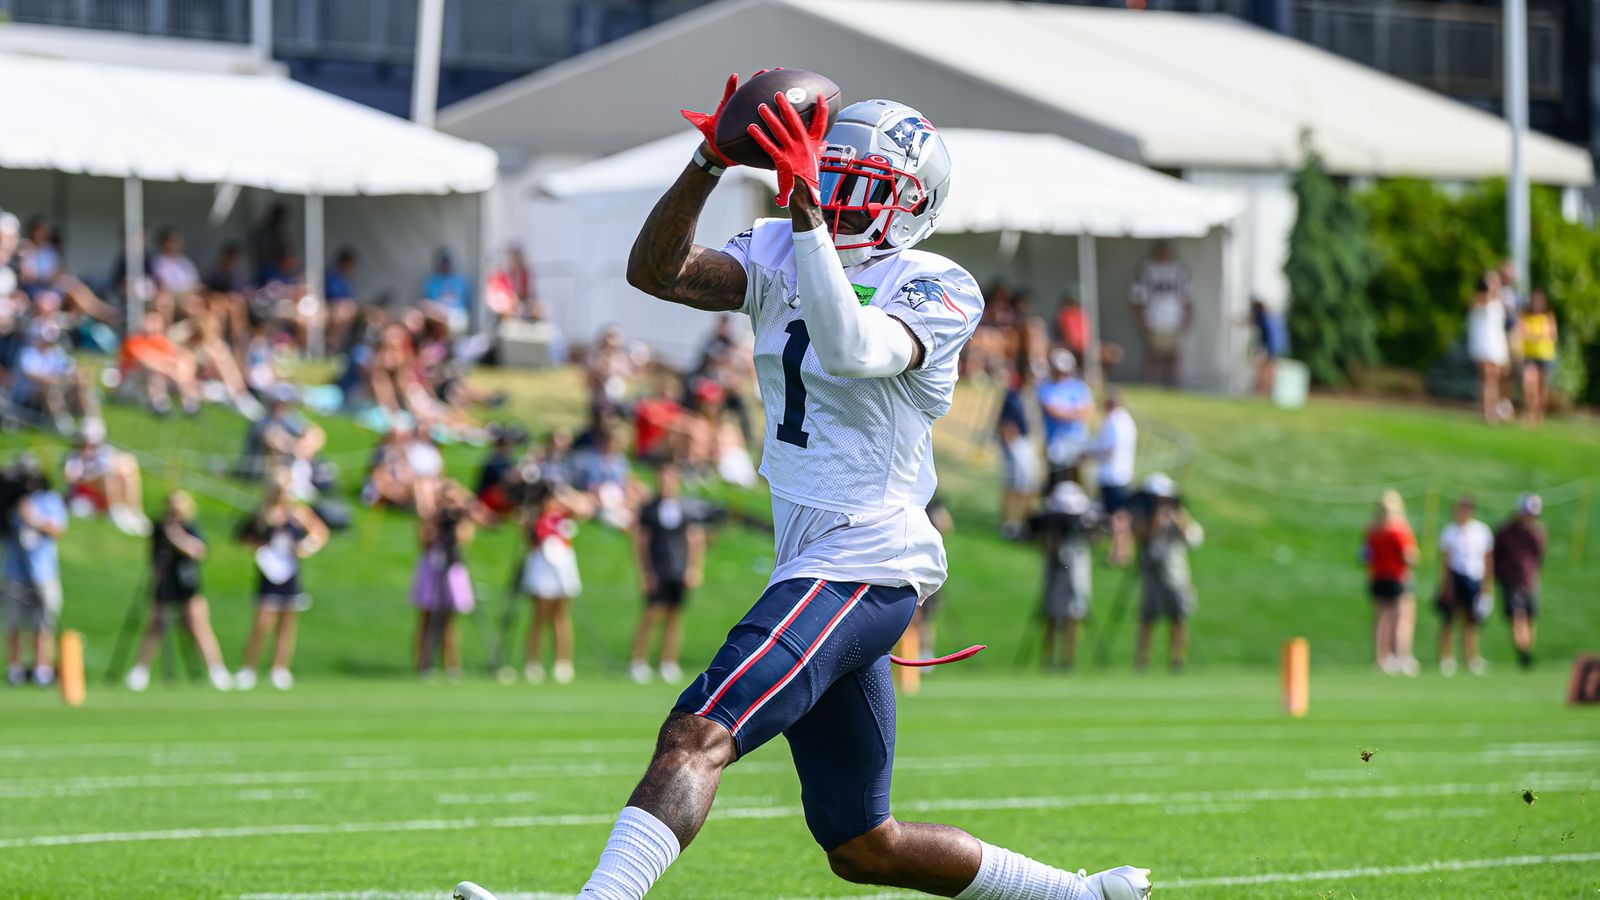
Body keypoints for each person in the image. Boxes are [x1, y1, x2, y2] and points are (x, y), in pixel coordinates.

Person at [455, 83, 1149, 900]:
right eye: (830, 177)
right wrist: (709, 161)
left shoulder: (937, 283)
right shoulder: (782, 245)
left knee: (697, 732)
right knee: (863, 844)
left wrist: (811, 217)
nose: (837, 198)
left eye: (863, 187)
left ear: (911, 205)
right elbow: (660, 271)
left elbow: (852, 348)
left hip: (868, 557)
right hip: (816, 559)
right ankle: (1082, 896)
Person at [124, 491, 232, 692]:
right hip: (165, 582)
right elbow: (154, 556)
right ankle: (140, 671)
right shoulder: (159, 527)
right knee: (155, 624)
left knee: (198, 626)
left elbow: (198, 551)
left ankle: (217, 670)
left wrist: (175, 536)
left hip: (187, 583)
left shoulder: (190, 527)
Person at [235, 470, 329, 691]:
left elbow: (319, 533)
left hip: (289, 570)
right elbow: (244, 536)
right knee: (261, 623)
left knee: (286, 624)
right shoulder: (264, 513)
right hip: (268, 570)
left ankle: (280, 668)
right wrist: (258, 546)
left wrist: (305, 548)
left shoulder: (297, 513)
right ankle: (249, 668)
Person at [628, 463, 707, 684]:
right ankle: (638, 661)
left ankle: (668, 661)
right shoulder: (649, 509)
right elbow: (641, 542)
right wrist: (645, 572)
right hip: (658, 568)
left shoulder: (684, 508)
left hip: (677, 568)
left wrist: (693, 568)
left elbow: (694, 540)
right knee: (651, 615)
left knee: (674, 616)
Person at [518, 479, 593, 685]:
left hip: (562, 564)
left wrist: (564, 491)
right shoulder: (535, 516)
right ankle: (533, 662)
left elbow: (585, 509)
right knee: (539, 615)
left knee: (560, 615)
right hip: (541, 563)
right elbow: (524, 528)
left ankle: (563, 662)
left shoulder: (564, 513)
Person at [413, 481, 488, 679]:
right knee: (427, 619)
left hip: (453, 567)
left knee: (450, 622)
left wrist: (461, 510)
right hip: (433, 566)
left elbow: (466, 535)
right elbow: (424, 539)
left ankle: (451, 665)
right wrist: (435, 518)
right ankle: (424, 664)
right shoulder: (432, 518)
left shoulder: (460, 519)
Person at [4, 467, 66, 687]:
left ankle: (42, 668)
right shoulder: (8, 499)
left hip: (43, 571)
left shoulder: (48, 499)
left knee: (43, 622)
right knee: (13, 622)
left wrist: (32, 518)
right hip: (14, 571)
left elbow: (58, 529)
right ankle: (15, 669)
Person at [1134, 474, 1201, 672]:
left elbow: (1193, 538)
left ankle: (1177, 659)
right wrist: (1155, 521)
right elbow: (1140, 535)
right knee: (1148, 617)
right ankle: (1142, 659)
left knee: (1178, 616)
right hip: (1151, 571)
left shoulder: (1179, 514)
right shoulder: (1144, 514)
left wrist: (1178, 519)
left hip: (1175, 573)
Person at [1032, 481, 1099, 669]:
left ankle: (1068, 661)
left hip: (1076, 568)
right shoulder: (1051, 526)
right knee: (1052, 613)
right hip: (1055, 569)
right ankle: (1047, 660)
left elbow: (1095, 538)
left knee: (1075, 613)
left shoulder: (1082, 527)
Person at [1362, 490, 1419, 676]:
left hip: (1377, 577)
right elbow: (1408, 556)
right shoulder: (1398, 529)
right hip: (1397, 577)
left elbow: (1365, 556)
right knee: (1402, 619)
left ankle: (1381, 657)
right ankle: (1401, 657)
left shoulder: (1371, 530)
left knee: (1380, 620)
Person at [63, 419, 152, 537]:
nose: (88, 447)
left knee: (128, 464)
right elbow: (71, 479)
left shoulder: (104, 453)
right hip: (86, 494)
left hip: (106, 490)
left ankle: (135, 512)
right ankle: (115, 511)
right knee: (109, 476)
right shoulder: (74, 457)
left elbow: (119, 465)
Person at [1436, 494, 1493, 676]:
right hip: (1455, 577)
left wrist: (1487, 584)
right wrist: (1445, 584)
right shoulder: (1449, 532)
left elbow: (1487, 559)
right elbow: (1445, 561)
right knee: (1449, 620)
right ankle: (1446, 658)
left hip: (1474, 577)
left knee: (1471, 621)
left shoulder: (1481, 531)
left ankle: (1471, 657)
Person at [1494, 493, 1546, 670]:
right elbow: (1497, 555)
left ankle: (1527, 652)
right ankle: (1522, 652)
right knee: (1517, 618)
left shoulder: (1537, 532)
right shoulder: (1505, 531)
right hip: (1510, 579)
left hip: (1529, 580)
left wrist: (1534, 575)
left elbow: (1539, 556)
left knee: (1530, 619)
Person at [1129, 241, 1191, 387]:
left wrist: (1187, 319)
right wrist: (1140, 318)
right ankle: (1152, 384)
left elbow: (1187, 297)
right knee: (1153, 356)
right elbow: (1136, 297)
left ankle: (1174, 386)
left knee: (1173, 356)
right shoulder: (1146, 270)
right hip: (1153, 319)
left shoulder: (1178, 270)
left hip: (1173, 320)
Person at [1087, 390, 1137, 566]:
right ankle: (1121, 551)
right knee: (1119, 515)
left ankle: (1118, 554)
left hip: (1111, 475)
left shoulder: (1113, 421)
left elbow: (1109, 450)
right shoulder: (1126, 420)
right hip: (1123, 473)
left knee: (1117, 517)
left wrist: (1090, 454)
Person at [1036, 349, 1093, 482]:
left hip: (1077, 441)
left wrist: (1067, 412)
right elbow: (1054, 412)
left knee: (1076, 480)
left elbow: (1088, 410)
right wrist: (1075, 412)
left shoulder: (1079, 386)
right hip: (1056, 443)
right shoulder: (1045, 387)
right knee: (1057, 480)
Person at [995, 367, 1038, 540]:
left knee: (1026, 486)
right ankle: (1011, 523)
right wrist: (1011, 446)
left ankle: (1022, 522)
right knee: (1015, 486)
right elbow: (1007, 424)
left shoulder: (1026, 396)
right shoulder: (1013, 396)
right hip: (1015, 444)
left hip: (1023, 443)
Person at [1467, 271, 1511, 423]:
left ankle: (1493, 408)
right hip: (1483, 343)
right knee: (1487, 378)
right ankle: (1486, 410)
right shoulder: (1480, 299)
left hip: (1496, 343)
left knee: (1495, 378)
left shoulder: (1500, 301)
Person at [1518, 289, 1557, 426]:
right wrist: (1537, 336)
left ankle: (1539, 413)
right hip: (1530, 355)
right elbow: (1522, 333)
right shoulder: (1525, 315)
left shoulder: (1548, 316)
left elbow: (1552, 335)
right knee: (1529, 384)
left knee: (1542, 387)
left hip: (1544, 355)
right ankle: (1529, 412)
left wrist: (1537, 337)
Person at [423, 248, 473, 333]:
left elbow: (467, 304)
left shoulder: (460, 280)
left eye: (447, 261)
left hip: (456, 317)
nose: (445, 264)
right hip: (436, 318)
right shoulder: (433, 281)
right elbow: (426, 302)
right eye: (443, 261)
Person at [1249, 298, 1288, 396]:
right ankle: (1267, 391)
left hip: (1270, 347)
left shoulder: (1263, 317)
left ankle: (1262, 391)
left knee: (1264, 369)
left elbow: (1251, 322)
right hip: (1278, 347)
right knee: (1270, 369)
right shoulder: (1272, 316)